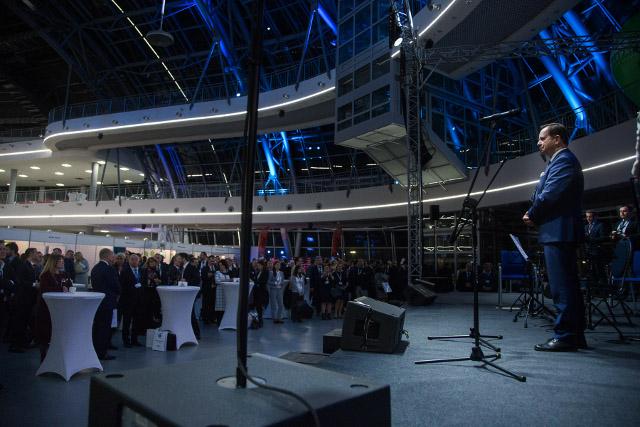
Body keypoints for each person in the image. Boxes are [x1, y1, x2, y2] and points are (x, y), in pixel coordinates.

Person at [523, 122, 585, 352]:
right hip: (557, 231)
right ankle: (575, 335)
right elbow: (539, 194)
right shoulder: (555, 163)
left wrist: (532, 214)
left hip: (559, 232)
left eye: (542, 138)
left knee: (562, 287)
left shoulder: (563, 160)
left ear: (557, 139)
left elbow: (549, 195)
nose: (538, 143)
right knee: (568, 286)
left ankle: (565, 335)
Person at [35, 254, 69, 362]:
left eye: (62, 261)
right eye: (60, 261)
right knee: (45, 332)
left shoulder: (63, 274)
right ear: (54, 262)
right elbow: (46, 290)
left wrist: (66, 287)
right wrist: (61, 289)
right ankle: (44, 357)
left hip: (59, 307)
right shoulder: (46, 275)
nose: (62, 262)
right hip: (46, 308)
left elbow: (67, 285)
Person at [90, 248, 120, 360]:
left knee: (97, 327)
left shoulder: (95, 268)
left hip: (98, 302)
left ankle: (95, 350)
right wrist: (119, 291)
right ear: (107, 256)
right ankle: (102, 352)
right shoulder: (109, 269)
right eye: (112, 256)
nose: (114, 258)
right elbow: (115, 284)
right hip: (108, 301)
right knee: (105, 327)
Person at [8, 248, 38, 353]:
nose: (37, 255)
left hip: (27, 298)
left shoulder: (28, 265)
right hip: (22, 298)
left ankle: (21, 343)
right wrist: (33, 284)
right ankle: (15, 344)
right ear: (31, 253)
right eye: (35, 253)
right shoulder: (24, 265)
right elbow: (19, 281)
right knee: (20, 322)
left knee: (24, 322)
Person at [119, 254, 143, 347]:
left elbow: (143, 283)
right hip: (128, 300)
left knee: (137, 321)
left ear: (139, 261)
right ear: (129, 260)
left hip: (139, 300)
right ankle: (126, 340)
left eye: (136, 260)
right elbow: (122, 285)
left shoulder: (141, 270)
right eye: (132, 259)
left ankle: (134, 339)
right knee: (127, 321)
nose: (134, 261)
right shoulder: (125, 271)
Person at [584, 210, 607, 285]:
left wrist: (591, 239)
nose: (588, 218)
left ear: (595, 217)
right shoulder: (586, 227)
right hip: (589, 252)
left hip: (597, 251)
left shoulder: (600, 225)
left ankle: (604, 286)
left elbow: (603, 238)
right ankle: (595, 286)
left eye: (590, 217)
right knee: (591, 271)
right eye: (587, 217)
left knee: (599, 270)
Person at [250, 261, 269, 328]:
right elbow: (255, 279)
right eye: (257, 265)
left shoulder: (266, 272)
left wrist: (255, 282)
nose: (257, 266)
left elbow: (264, 281)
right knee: (257, 307)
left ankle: (260, 321)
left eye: (259, 265)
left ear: (262, 265)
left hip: (262, 292)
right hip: (256, 291)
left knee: (259, 307)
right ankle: (258, 320)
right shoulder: (258, 272)